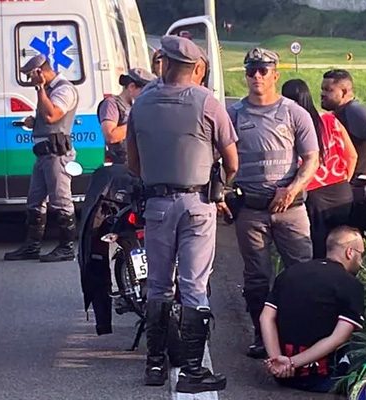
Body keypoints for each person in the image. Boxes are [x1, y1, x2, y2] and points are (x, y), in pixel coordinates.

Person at [128, 35, 238, 393]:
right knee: (193, 286)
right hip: (196, 204)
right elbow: (232, 160)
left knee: (158, 285)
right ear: (196, 69)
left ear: (164, 63)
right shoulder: (207, 102)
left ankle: (155, 364)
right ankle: (192, 369)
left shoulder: (140, 103)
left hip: (156, 205)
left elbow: (133, 163)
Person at [227, 48, 320, 359]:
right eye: (252, 70)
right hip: (251, 210)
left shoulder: (295, 113)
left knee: (302, 272)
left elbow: (311, 159)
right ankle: (261, 334)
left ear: (275, 74)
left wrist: (292, 189)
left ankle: (304, 333)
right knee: (256, 277)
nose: (257, 76)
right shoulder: (234, 114)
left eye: (263, 70)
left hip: (291, 210)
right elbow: (219, 157)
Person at [260, 226, 365, 393]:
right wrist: (292, 362)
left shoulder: (290, 273)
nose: (361, 262)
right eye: (361, 255)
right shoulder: (351, 285)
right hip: (321, 378)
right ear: (350, 252)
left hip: (282, 373)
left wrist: (277, 360)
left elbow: (266, 317)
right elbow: (340, 337)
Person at [4, 55, 79, 263]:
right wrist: (34, 121)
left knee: (61, 200)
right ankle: (32, 246)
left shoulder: (63, 89)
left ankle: (66, 247)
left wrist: (39, 89)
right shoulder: (50, 91)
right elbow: (46, 118)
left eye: (30, 76)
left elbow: (53, 116)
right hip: (43, 154)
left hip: (56, 154)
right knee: (35, 201)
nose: (30, 81)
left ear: (40, 72)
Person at [282, 79, 358, 258]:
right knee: (341, 248)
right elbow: (352, 155)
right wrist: (343, 180)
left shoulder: (292, 125)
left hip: (314, 195)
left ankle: (319, 283)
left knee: (318, 251)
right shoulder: (330, 119)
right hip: (342, 192)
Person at [320, 69, 366, 181]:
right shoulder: (340, 111)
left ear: (344, 92)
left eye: (328, 90)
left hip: (355, 183)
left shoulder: (354, 111)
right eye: (322, 89)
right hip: (340, 181)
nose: (322, 94)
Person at [98, 68, 155, 165]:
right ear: (132, 87)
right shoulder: (112, 104)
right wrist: (140, 122)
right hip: (121, 163)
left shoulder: (136, 106)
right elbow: (110, 136)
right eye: (145, 91)